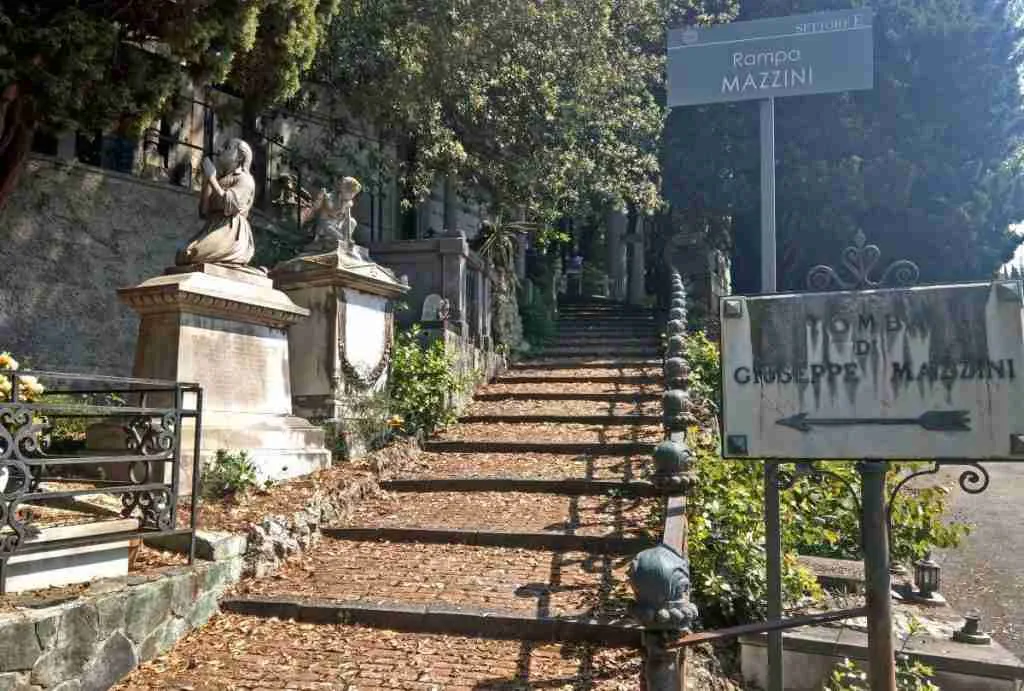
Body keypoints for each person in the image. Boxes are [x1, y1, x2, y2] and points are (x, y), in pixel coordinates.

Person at [176, 138, 256, 266]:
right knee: (181, 254)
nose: (220, 150)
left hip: (230, 231)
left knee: (192, 253)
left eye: (227, 147)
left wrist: (212, 178)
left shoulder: (245, 179)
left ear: (240, 156)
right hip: (212, 226)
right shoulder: (220, 179)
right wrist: (207, 180)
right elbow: (203, 212)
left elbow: (231, 204)